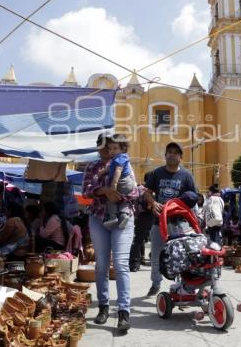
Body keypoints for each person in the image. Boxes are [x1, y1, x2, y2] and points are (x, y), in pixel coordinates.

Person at [82, 133, 138, 332]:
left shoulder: (125, 162)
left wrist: (118, 192)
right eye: (103, 147)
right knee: (102, 264)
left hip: (123, 217)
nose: (106, 150)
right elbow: (86, 190)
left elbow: (134, 191)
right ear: (98, 148)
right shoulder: (92, 166)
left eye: (110, 147)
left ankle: (124, 311)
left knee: (121, 263)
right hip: (98, 217)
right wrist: (104, 190)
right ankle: (103, 306)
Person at [144, 142, 197, 296]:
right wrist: (152, 202)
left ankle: (183, 286)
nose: (172, 154)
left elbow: (193, 196)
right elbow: (147, 191)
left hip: (180, 223)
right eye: (169, 152)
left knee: (182, 256)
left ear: (180, 157)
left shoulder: (187, 176)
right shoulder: (157, 173)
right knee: (156, 256)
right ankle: (156, 283)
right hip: (159, 222)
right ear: (165, 155)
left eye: (176, 152)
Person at [103, 134, 135, 229]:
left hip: (122, 182)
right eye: (110, 149)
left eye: (115, 148)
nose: (112, 151)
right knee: (124, 199)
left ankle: (113, 217)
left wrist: (114, 183)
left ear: (123, 148)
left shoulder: (119, 158)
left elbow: (118, 170)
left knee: (110, 198)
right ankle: (123, 215)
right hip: (128, 184)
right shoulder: (121, 157)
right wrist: (103, 172)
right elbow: (110, 168)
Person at [129, 172, 153, 272]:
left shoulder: (138, 188)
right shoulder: (150, 190)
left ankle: (134, 264)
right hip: (151, 215)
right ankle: (155, 261)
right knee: (156, 239)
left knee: (138, 240)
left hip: (139, 216)